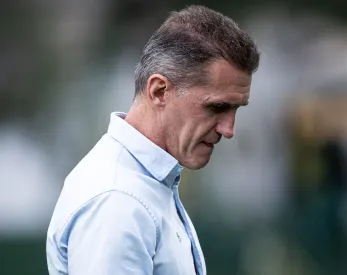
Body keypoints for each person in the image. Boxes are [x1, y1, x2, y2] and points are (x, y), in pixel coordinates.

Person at [46, 5, 260, 275]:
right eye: (217, 107)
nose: (229, 129)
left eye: (236, 109)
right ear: (159, 91)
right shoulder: (118, 201)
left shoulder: (145, 185)